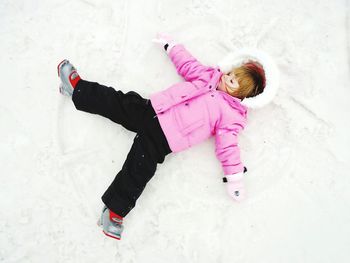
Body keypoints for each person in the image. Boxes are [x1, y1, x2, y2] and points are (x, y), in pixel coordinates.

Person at [57, 33, 278, 240]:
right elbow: (188, 64)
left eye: (233, 81)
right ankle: (77, 90)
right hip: (151, 109)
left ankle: (114, 212)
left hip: (164, 139)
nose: (226, 78)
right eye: (230, 74)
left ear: (242, 94)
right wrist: (172, 46)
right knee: (117, 101)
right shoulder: (209, 75)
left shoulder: (231, 115)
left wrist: (235, 177)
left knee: (138, 169)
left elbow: (228, 146)